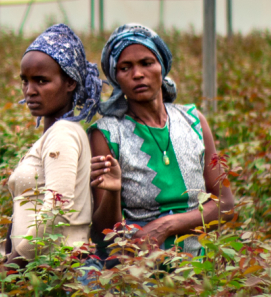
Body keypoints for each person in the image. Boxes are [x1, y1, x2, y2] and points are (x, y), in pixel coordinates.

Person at [89, 24, 236, 256]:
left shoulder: (194, 121)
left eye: (147, 63)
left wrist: (166, 226)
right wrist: (113, 191)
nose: (137, 74)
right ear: (116, 78)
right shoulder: (107, 133)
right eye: (125, 67)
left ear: (162, 66)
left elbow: (225, 205)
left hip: (200, 268)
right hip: (139, 272)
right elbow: (105, 230)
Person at [2, 23, 103, 266]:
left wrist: (12, 266)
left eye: (41, 81)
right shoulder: (53, 135)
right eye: (25, 81)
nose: (30, 91)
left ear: (70, 83)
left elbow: (57, 209)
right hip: (44, 269)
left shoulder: (63, 133)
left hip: (61, 273)